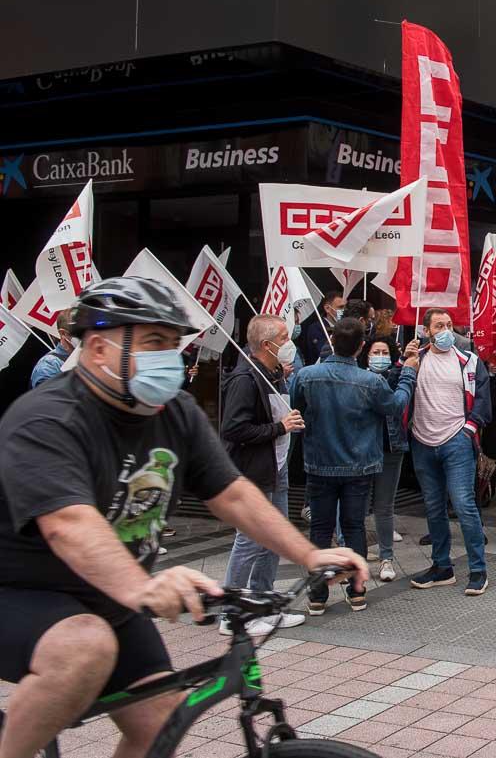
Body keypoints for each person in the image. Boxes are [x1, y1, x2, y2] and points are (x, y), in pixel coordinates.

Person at [0, 277, 366, 758]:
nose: (170, 355)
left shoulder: (173, 411)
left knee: (159, 719)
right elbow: (68, 523)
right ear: (96, 349)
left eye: (174, 343)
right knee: (83, 646)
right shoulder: (48, 417)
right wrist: (142, 588)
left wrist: (309, 553)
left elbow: (233, 493)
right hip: (23, 590)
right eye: (154, 341)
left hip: (110, 594)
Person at [292, 317, 418, 614]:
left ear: (332, 341)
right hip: (359, 465)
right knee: (354, 527)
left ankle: (318, 595)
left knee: (321, 530)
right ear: (362, 347)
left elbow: (298, 406)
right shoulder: (371, 382)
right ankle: (357, 590)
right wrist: (408, 375)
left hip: (320, 463)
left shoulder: (307, 376)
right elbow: (396, 405)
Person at [218, 314, 307, 635]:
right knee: (252, 539)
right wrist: (278, 427)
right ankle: (232, 613)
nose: (290, 343)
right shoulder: (244, 378)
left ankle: (263, 604)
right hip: (254, 471)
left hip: (276, 468)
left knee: (274, 537)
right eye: (284, 338)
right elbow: (233, 427)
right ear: (267, 345)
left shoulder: (270, 373)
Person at [405, 308, 492, 596]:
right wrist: (404, 362)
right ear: (426, 330)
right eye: (438, 325)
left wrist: (468, 429)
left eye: (449, 325)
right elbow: (397, 389)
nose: (445, 330)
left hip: (456, 442)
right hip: (422, 442)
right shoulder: (416, 361)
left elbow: (482, 400)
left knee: (464, 504)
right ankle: (442, 567)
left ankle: (478, 570)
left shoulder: (469, 361)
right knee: (433, 507)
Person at [365, 337, 407, 582]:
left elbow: (395, 398)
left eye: (384, 352)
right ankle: (356, 556)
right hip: (363, 451)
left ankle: (386, 558)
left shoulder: (396, 376)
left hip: (392, 449)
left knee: (384, 507)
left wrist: (403, 366)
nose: (380, 355)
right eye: (375, 351)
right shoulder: (358, 377)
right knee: (356, 507)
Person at [30, 310, 76, 389]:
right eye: (82, 331)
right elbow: (51, 398)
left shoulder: (93, 354)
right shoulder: (49, 366)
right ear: (63, 333)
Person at [299, 290, 344, 366]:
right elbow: (322, 352)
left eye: (346, 307)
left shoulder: (348, 326)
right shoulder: (316, 328)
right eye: (340, 307)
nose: (344, 310)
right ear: (327, 308)